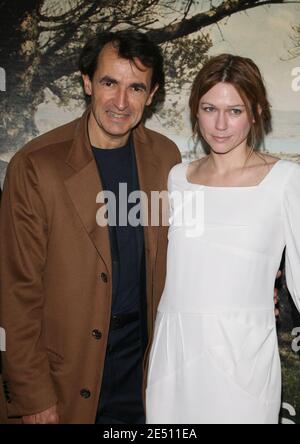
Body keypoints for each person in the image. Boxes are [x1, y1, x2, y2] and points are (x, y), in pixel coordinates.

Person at [0, 30, 181, 424]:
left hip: (144, 375)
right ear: (87, 83)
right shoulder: (36, 166)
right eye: (109, 83)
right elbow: (15, 291)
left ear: (151, 95)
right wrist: (32, 397)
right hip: (66, 377)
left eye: (135, 88)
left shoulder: (166, 158)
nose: (120, 102)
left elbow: (184, 250)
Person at [146, 54, 300, 424]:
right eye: (209, 108)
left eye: (234, 110)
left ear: (256, 111)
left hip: (242, 360)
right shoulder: (177, 178)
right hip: (174, 357)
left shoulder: (286, 181)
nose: (219, 124)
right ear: (195, 110)